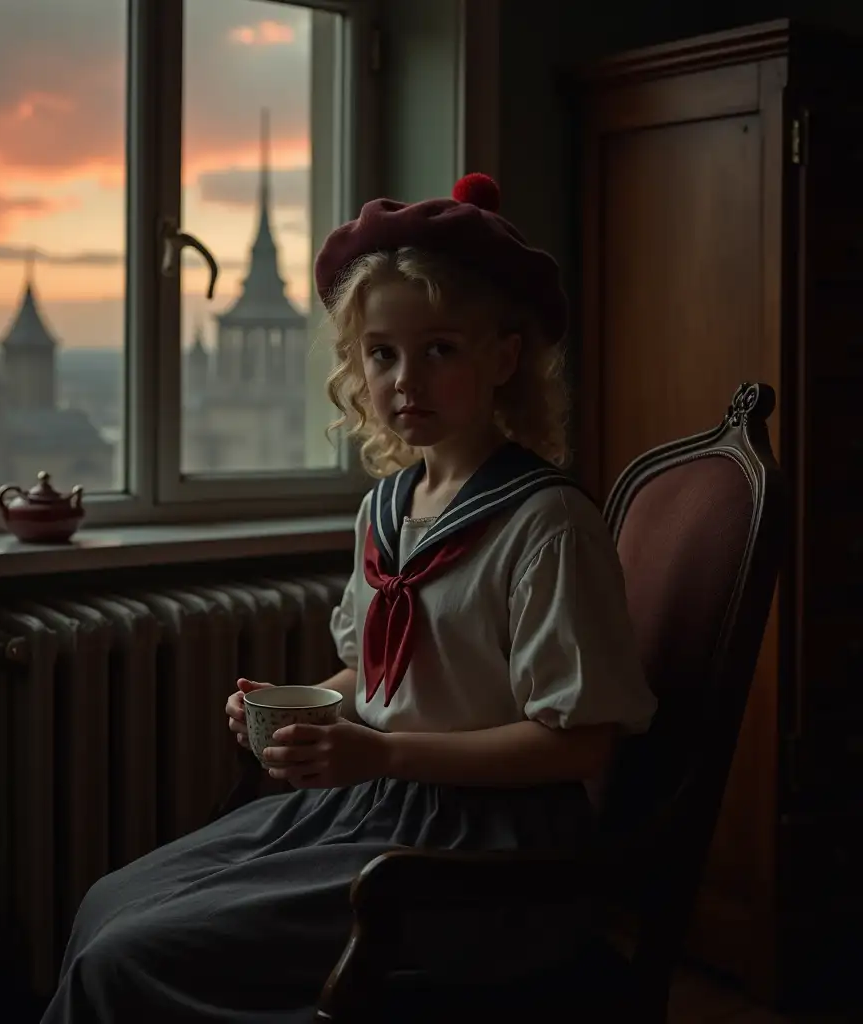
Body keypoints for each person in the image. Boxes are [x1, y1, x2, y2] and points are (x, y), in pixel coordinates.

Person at [39, 173, 657, 1023]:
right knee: (108, 902)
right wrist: (301, 707)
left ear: (503, 358)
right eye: (381, 353)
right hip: (381, 803)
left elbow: (579, 742)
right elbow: (379, 680)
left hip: (485, 853)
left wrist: (386, 756)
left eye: (440, 348)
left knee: (131, 956)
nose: (407, 379)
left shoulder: (545, 524)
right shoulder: (385, 510)